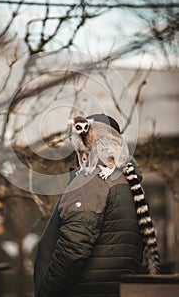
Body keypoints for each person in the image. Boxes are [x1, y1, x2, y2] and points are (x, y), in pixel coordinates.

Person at [34, 114, 144, 297]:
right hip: (118, 289)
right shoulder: (129, 184)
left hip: (87, 289)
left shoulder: (91, 182)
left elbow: (73, 247)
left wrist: (47, 290)